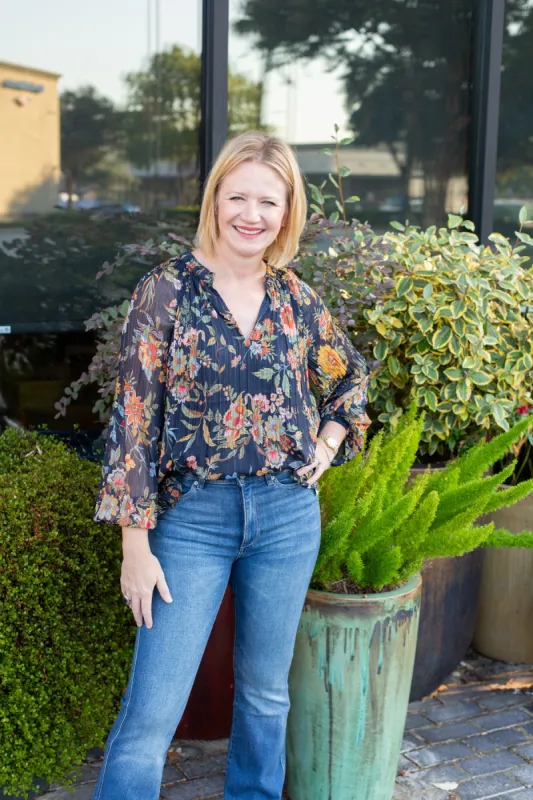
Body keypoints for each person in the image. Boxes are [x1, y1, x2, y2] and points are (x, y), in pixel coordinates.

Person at [92, 130, 370, 800]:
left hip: (284, 514)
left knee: (266, 697)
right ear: (214, 199)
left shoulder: (296, 298)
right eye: (237, 196)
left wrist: (326, 445)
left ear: (286, 211)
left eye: (267, 201)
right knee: (150, 714)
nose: (251, 213)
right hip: (191, 519)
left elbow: (351, 380)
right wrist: (136, 543)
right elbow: (133, 420)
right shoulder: (164, 291)